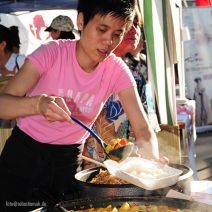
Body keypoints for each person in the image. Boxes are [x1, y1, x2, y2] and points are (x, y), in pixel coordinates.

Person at [0, 0, 167, 211]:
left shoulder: (116, 71)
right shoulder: (51, 54)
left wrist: (150, 165)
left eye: (117, 34)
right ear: (81, 21)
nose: (109, 41)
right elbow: (3, 103)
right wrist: (37, 104)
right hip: (23, 160)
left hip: (68, 166)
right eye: (102, 29)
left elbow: (143, 129)